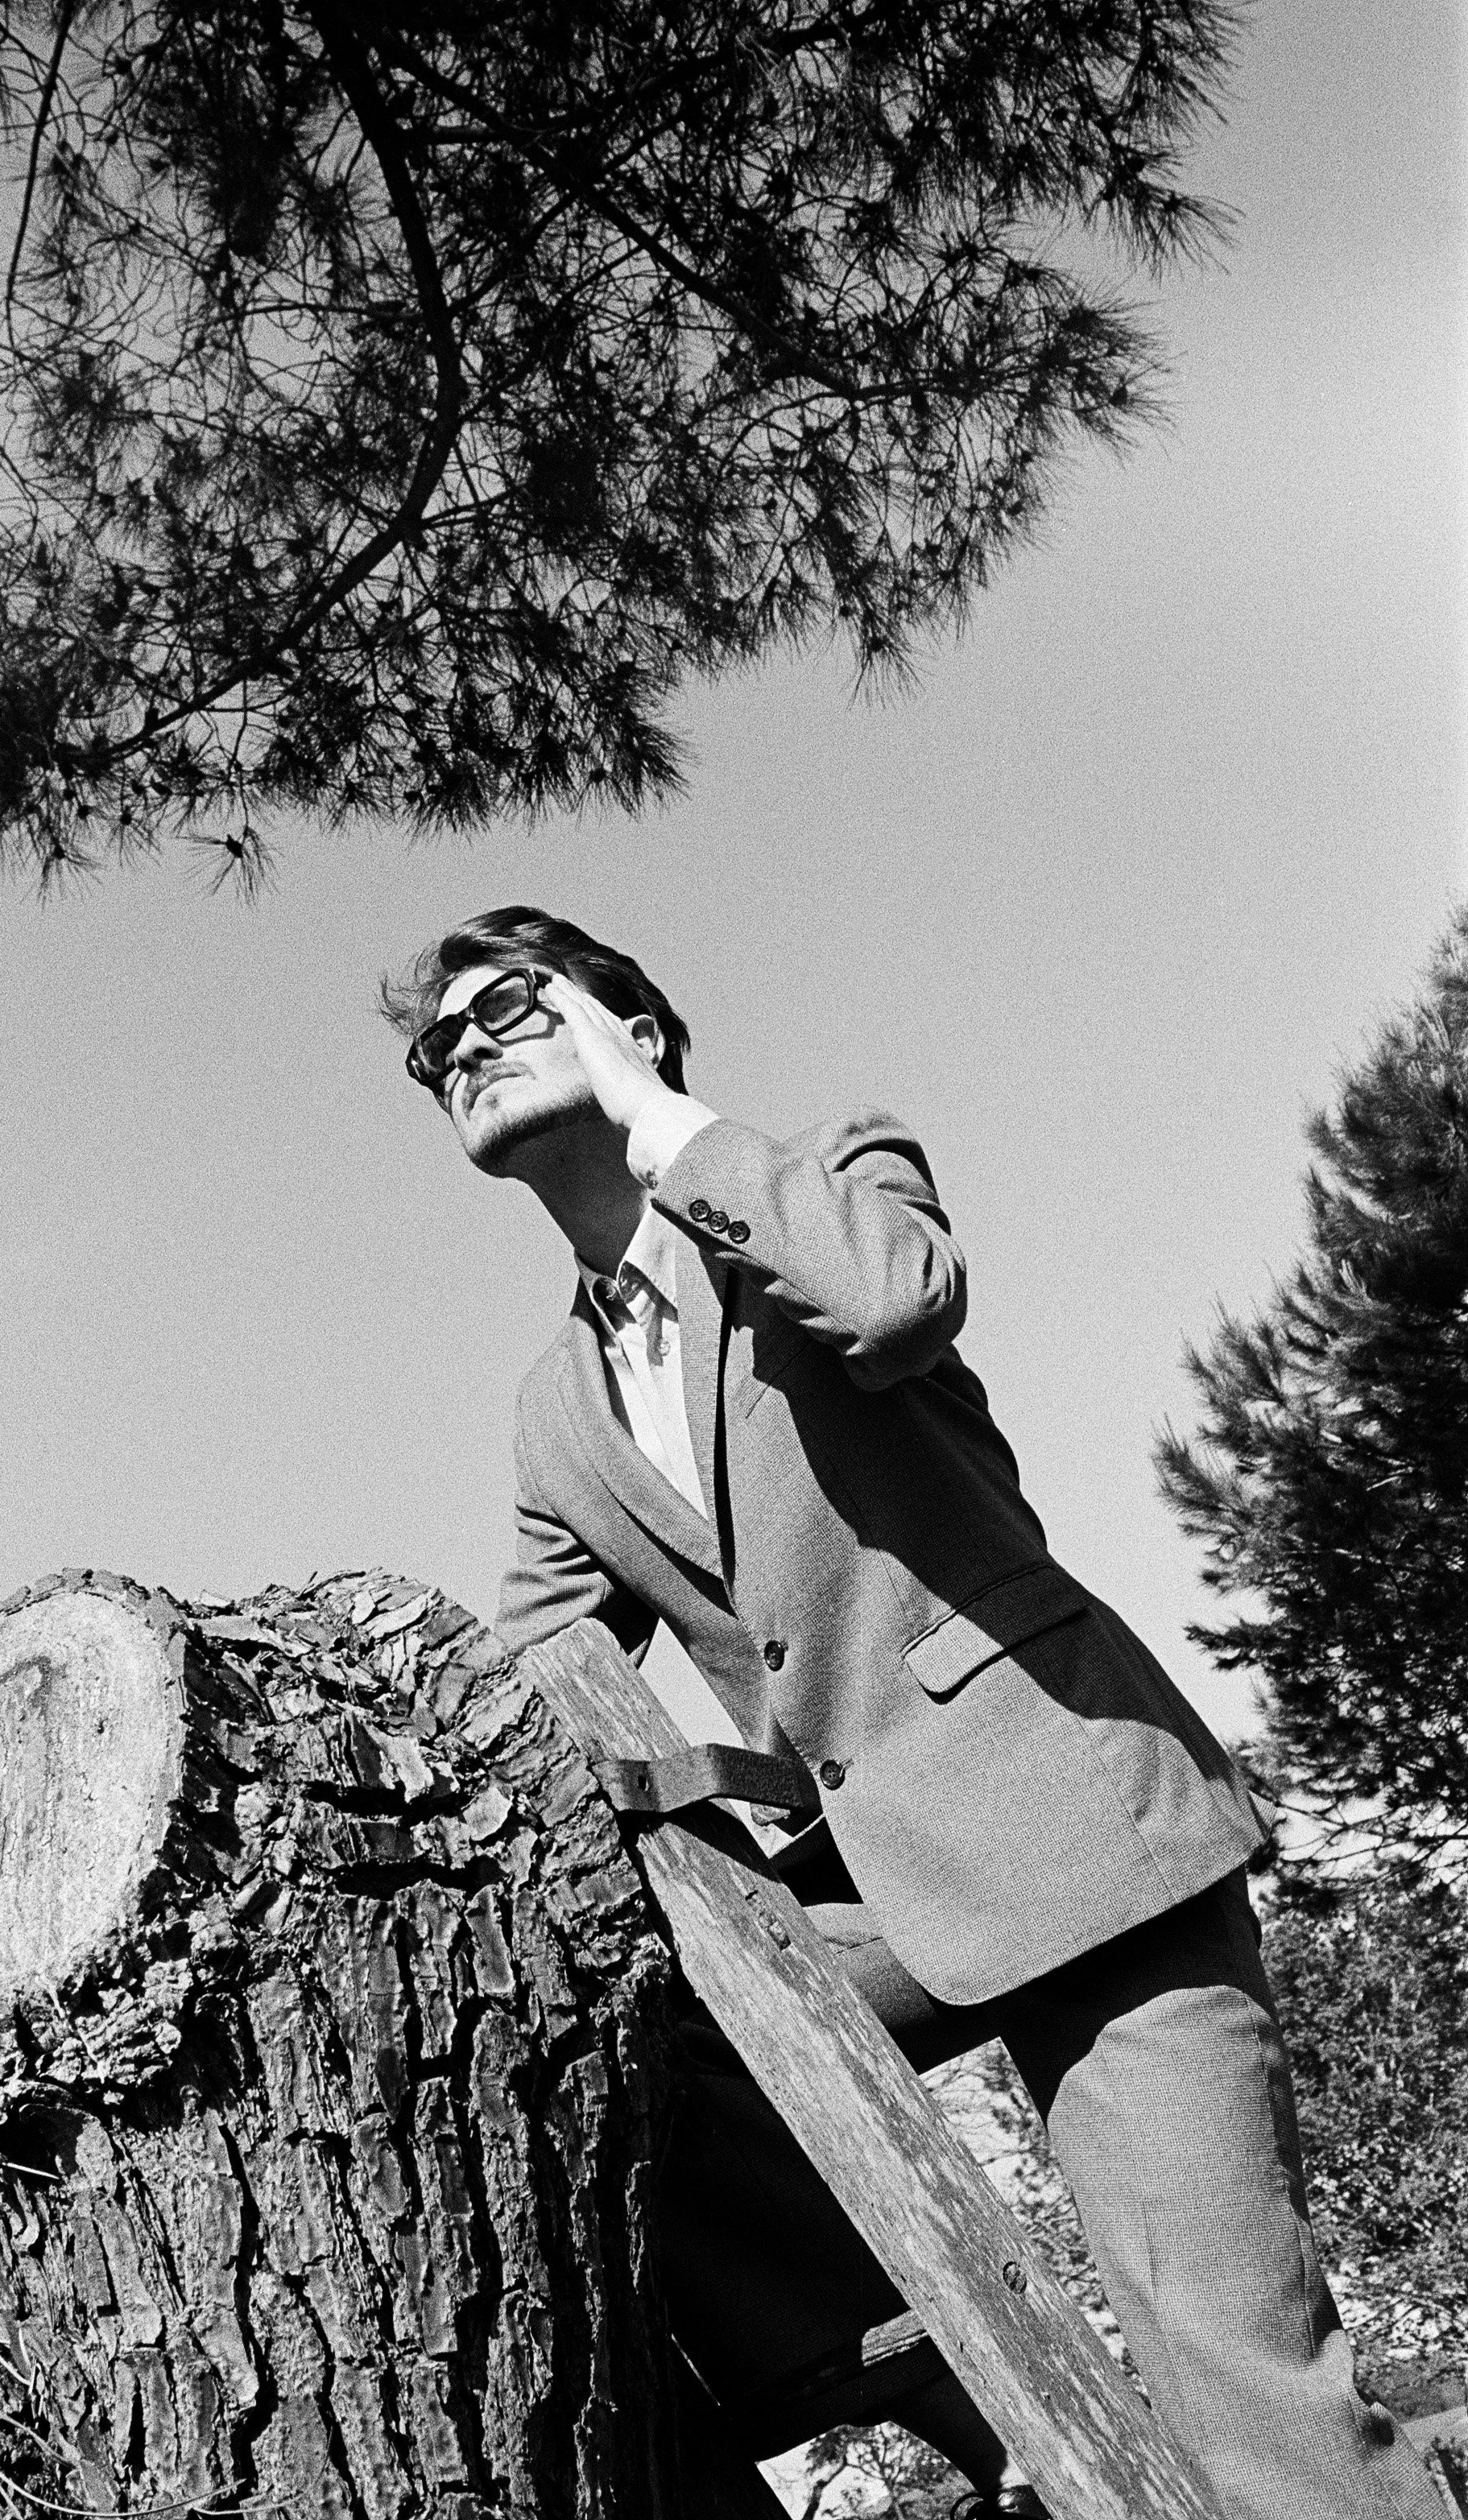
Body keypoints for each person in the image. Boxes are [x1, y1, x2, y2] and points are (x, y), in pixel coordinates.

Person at [384, 905, 1438, 2520]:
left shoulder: (826, 1166)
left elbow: (890, 1300)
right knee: (610, 2055)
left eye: (507, 1005)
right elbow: (525, 1696)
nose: (464, 1044)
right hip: (862, 1891)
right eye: (434, 1045)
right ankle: (963, 2411)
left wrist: (666, 1130)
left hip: (1076, 1832)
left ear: (633, 1026)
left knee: (1239, 2391)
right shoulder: (554, 1413)